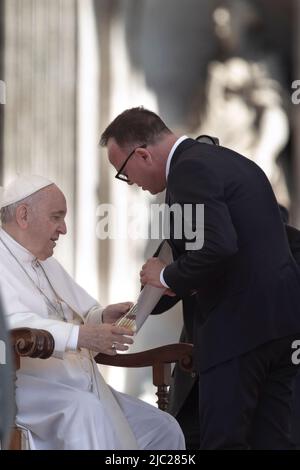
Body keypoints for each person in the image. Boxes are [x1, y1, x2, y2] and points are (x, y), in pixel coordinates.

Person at [100, 106, 300, 449]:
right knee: (272, 440)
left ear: (143, 154)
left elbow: (219, 247)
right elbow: (219, 254)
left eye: (123, 172)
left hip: (237, 331)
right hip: (281, 326)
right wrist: (163, 286)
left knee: (221, 442)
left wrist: (162, 274)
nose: (131, 183)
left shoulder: (188, 171)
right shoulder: (228, 160)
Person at [0, 174, 185, 450]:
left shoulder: (45, 261)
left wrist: (102, 317)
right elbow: (11, 325)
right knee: (85, 411)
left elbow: (78, 314)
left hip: (78, 383)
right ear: (24, 215)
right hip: (24, 388)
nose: (63, 229)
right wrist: (81, 336)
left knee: (162, 428)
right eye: (56, 217)